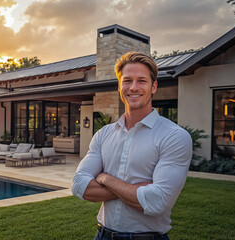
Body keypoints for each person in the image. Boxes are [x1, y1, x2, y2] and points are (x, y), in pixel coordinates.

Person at [72, 52, 192, 240]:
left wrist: (105, 178)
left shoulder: (174, 136)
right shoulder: (103, 134)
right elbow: (80, 186)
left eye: (141, 81)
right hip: (102, 235)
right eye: (127, 81)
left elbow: (157, 201)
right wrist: (138, 190)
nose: (133, 87)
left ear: (153, 87)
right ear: (120, 86)